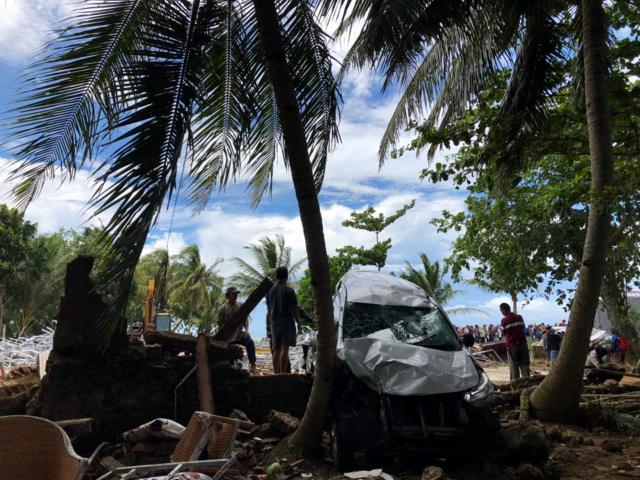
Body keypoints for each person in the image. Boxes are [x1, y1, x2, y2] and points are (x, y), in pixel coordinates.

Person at [266, 266, 301, 374]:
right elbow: (294, 309)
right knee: (284, 348)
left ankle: (276, 373)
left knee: (276, 350)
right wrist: (299, 323)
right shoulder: (289, 290)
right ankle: (282, 374)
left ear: (277, 276)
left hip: (274, 323)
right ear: (287, 276)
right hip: (287, 322)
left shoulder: (270, 291)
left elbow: (269, 310)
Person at [218, 287, 257, 372]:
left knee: (249, 342)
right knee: (229, 354)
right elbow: (220, 325)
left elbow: (245, 319)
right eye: (233, 294)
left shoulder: (241, 305)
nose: (235, 296)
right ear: (227, 296)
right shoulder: (222, 309)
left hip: (239, 334)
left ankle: (253, 364)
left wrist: (247, 331)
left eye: (236, 294)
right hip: (228, 337)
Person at [499, 303, 530, 380]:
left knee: (514, 367)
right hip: (523, 345)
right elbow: (523, 328)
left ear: (503, 310)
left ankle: (516, 386)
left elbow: (504, 333)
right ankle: (527, 383)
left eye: (501, 311)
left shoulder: (504, 320)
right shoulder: (519, 317)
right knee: (525, 365)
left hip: (512, 346)